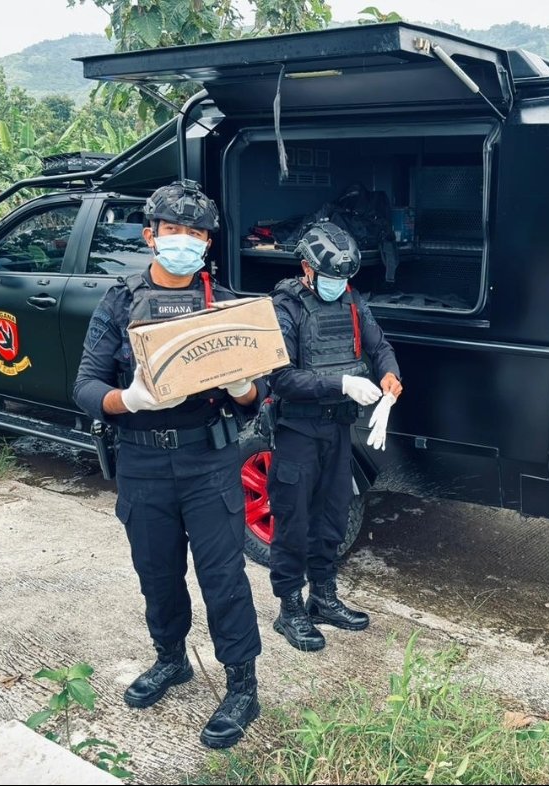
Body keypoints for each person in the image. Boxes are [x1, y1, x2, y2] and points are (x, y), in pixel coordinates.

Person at [73, 180, 263, 750]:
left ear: (207, 242)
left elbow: (256, 398)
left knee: (224, 578)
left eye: (195, 232)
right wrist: (127, 400)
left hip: (209, 460)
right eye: (171, 229)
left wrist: (244, 384)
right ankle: (171, 659)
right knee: (156, 572)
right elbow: (84, 386)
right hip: (142, 462)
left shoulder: (226, 306)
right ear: (150, 234)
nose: (183, 240)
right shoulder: (119, 301)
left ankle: (241, 685)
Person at [266, 220, 402, 652]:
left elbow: (379, 345)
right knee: (293, 521)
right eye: (330, 277)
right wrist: (340, 383)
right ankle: (289, 610)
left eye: (345, 278)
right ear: (306, 268)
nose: (338, 285)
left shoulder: (350, 299)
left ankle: (322, 597)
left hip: (339, 429)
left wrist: (390, 377)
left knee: (333, 516)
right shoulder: (284, 306)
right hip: (297, 431)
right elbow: (282, 378)